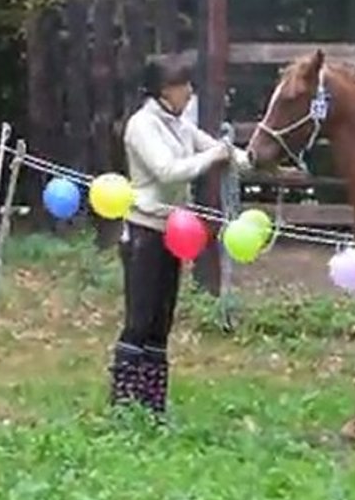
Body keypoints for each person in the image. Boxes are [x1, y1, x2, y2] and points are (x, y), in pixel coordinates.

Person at [107, 55, 253, 421]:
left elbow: (219, 149)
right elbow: (168, 172)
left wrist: (252, 157)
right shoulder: (142, 126)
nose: (189, 92)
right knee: (139, 319)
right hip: (144, 231)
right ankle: (124, 407)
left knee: (162, 321)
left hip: (172, 233)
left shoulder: (180, 125)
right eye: (181, 85)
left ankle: (153, 408)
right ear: (162, 90)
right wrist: (215, 156)